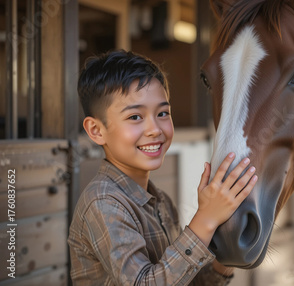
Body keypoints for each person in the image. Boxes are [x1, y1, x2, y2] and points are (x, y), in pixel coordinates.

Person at [67, 50, 258, 285]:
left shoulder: (161, 202)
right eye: (135, 117)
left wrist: (226, 249)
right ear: (97, 130)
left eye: (163, 113)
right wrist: (206, 219)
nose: (154, 129)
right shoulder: (103, 203)